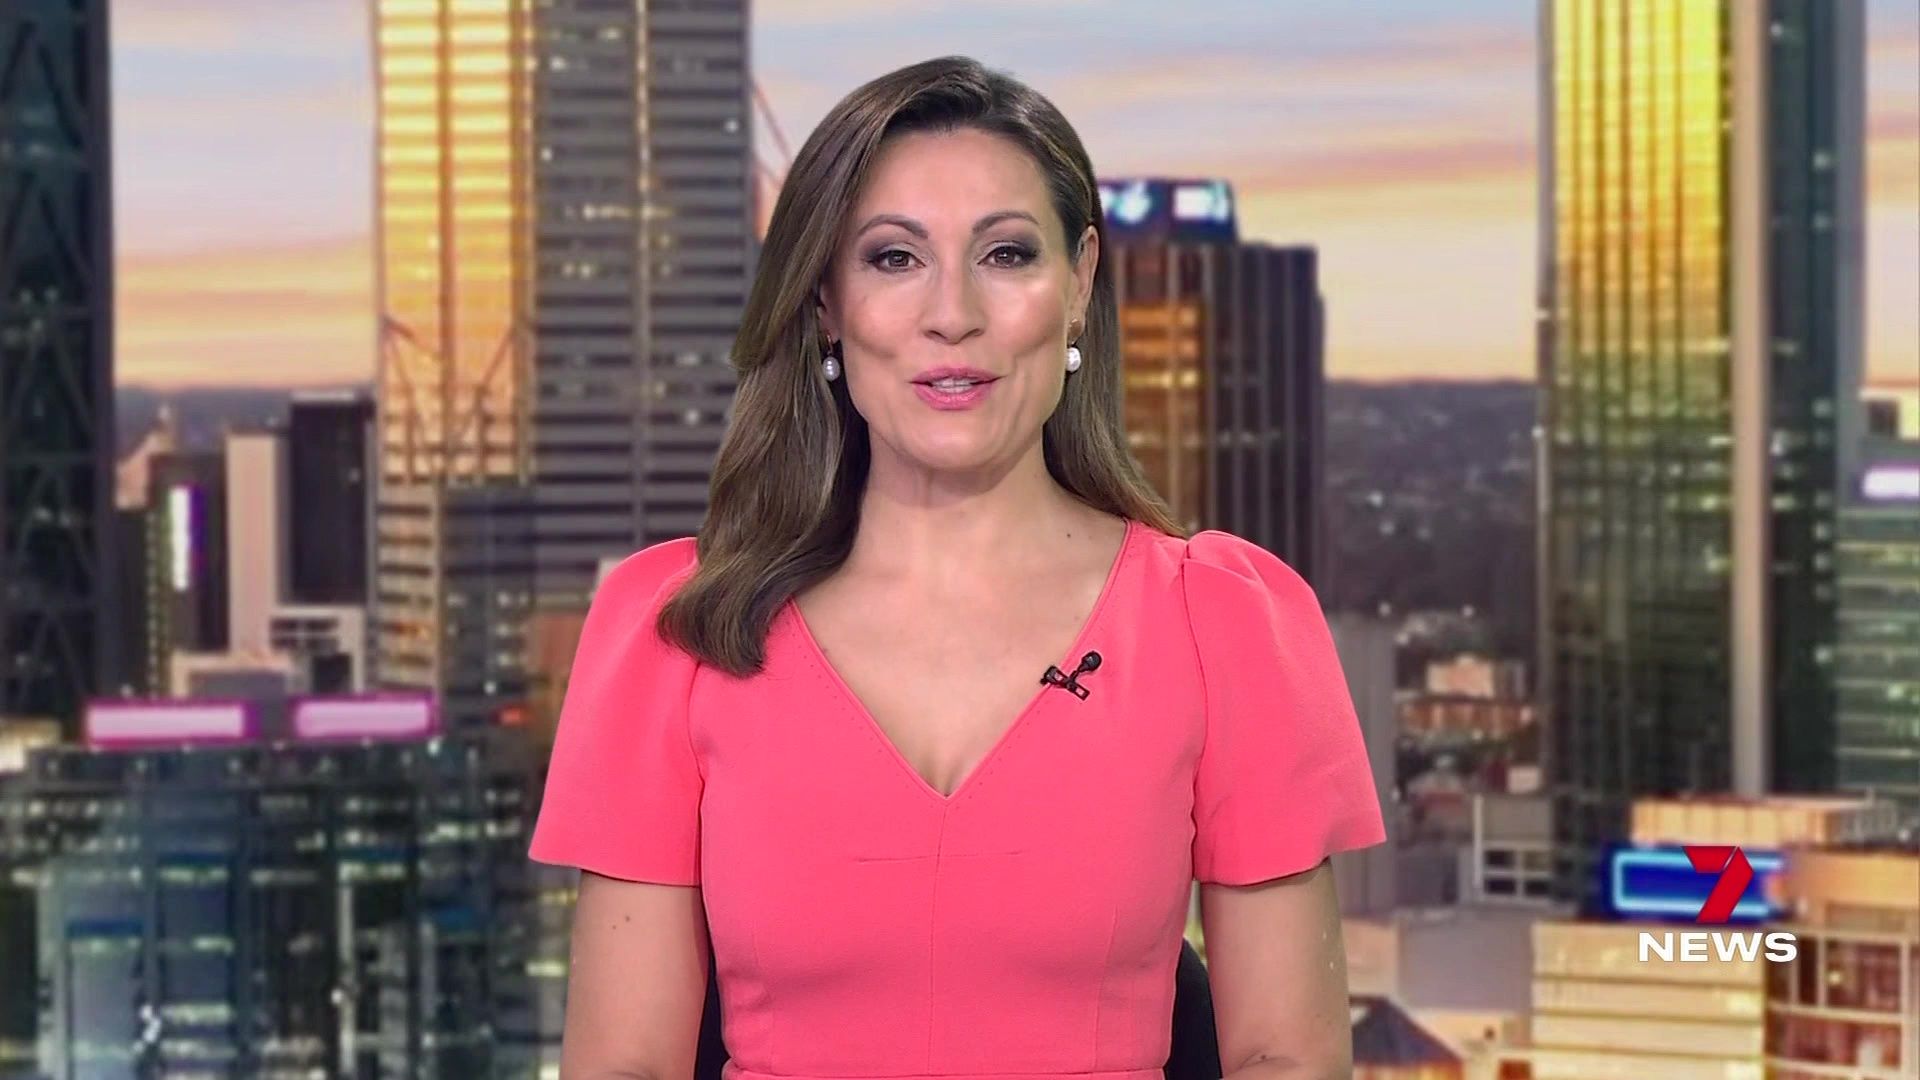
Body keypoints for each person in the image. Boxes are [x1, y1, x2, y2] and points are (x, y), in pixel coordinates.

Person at [529, 54, 1386, 1080]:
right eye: (894, 258)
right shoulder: (679, 634)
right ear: (825, 305)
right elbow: (626, 1066)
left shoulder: (1222, 625)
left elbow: (1284, 1059)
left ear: (1079, 284)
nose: (953, 314)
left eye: (1006, 254)